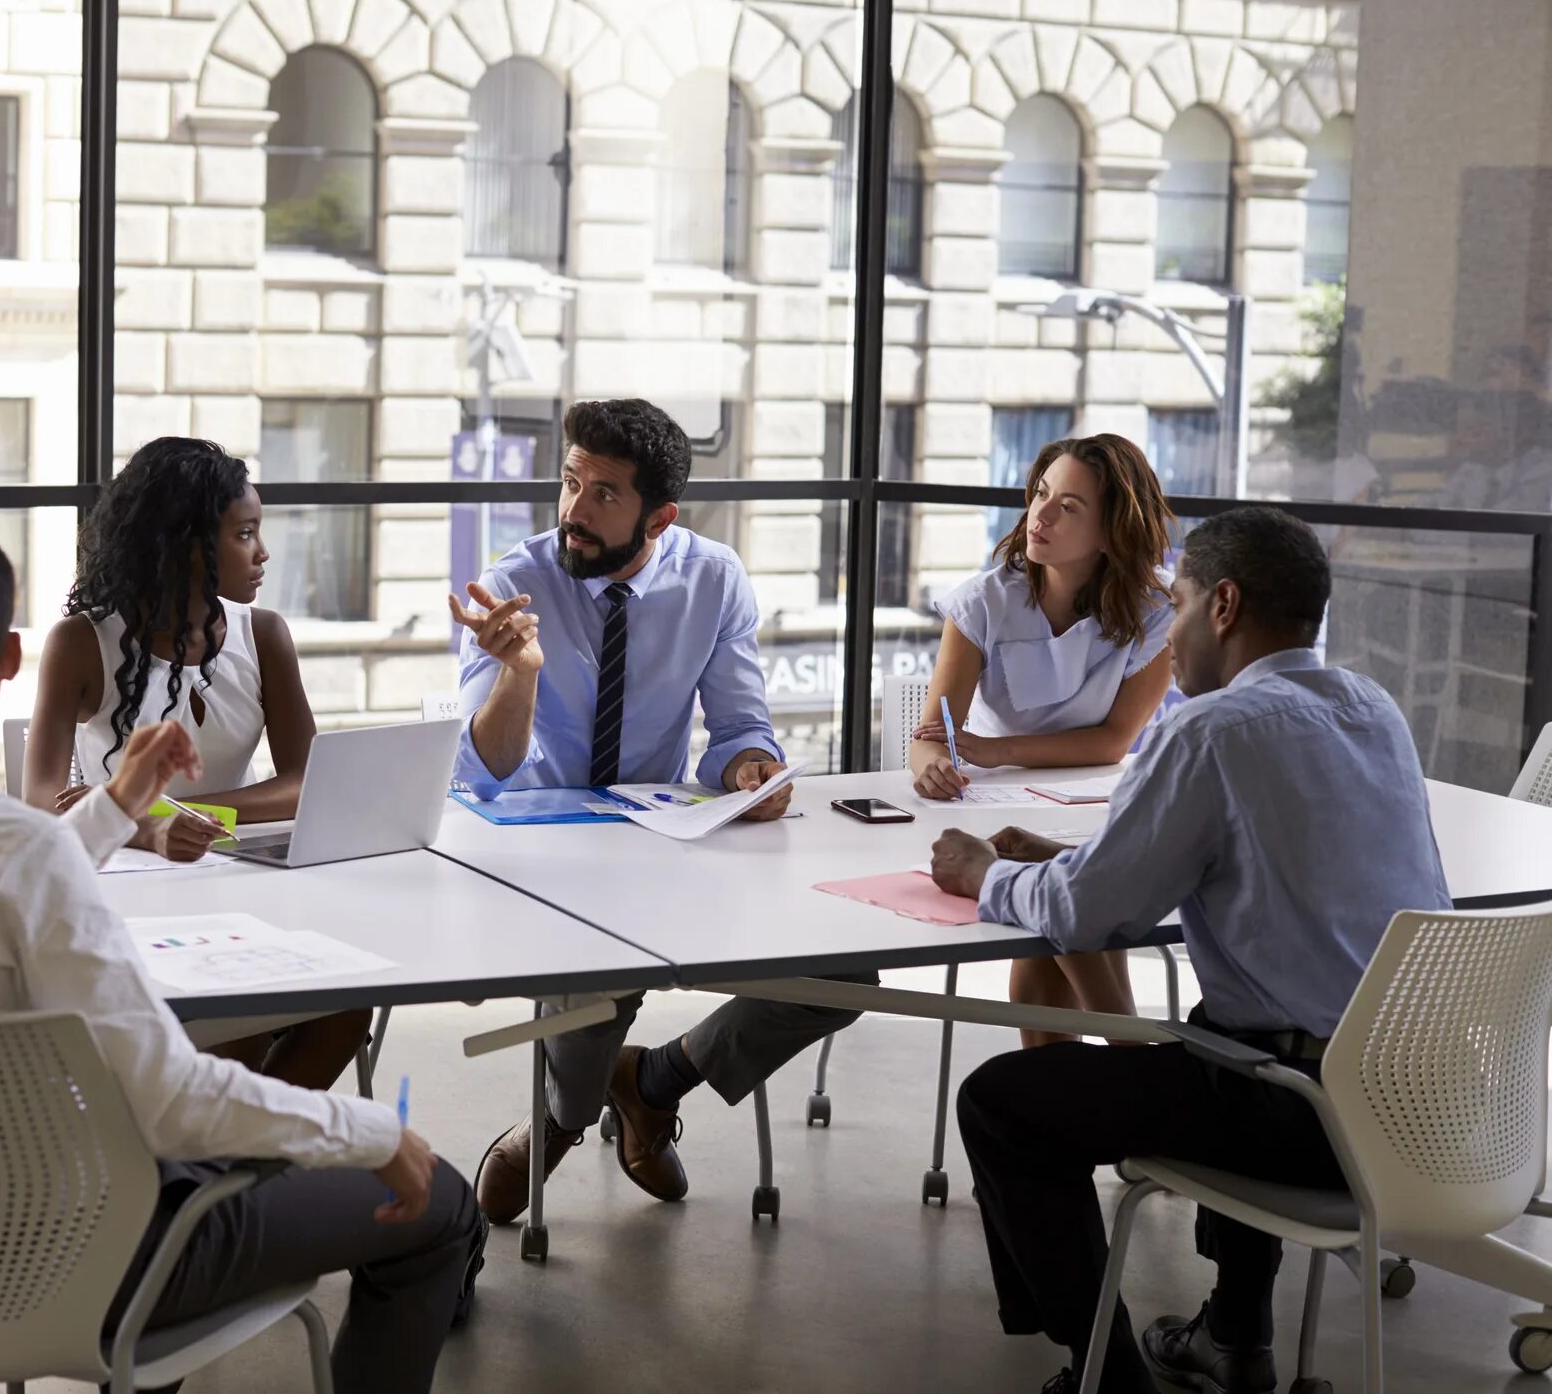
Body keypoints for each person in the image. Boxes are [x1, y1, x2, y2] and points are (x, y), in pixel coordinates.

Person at [0, 510, 483, 1393]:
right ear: (8, 661)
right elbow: (171, 1103)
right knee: (441, 1204)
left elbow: (1, 880)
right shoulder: (16, 852)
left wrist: (118, 804)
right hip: (90, 1258)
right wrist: (374, 1132)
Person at [927, 506, 1450, 1394]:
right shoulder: (1371, 708)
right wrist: (1096, 856)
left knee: (1001, 1104)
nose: (1166, 633)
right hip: (1421, 1095)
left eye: (1177, 603)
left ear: (1224, 605)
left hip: (1306, 1115)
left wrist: (981, 875)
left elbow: (1085, 918)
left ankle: (1107, 1375)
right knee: (1226, 1030)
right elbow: (1275, 862)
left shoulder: (1209, 729)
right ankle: (1234, 1340)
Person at [450, 397, 874, 1224]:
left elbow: (740, 729)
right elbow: (484, 770)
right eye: (570, 482)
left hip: (659, 835)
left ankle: (653, 1080)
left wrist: (751, 767)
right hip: (539, 846)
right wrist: (520, 673)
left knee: (844, 974)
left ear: (661, 515)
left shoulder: (712, 578)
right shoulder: (512, 583)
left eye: (603, 493)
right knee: (596, 975)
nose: (574, 509)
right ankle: (558, 1126)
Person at [26, 437, 371, 1092]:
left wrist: (193, 814)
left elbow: (307, 783)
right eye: (244, 534)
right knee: (236, 1026)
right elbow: (41, 808)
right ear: (185, 544)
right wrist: (144, 825)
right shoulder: (79, 644)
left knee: (348, 1006)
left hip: (240, 883)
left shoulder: (262, 634)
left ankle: (239, 1173)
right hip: (123, 891)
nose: (264, 553)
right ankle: (225, 1175)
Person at [909, 433, 1174, 1046]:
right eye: (1041, 495)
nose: (1041, 515)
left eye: (1069, 506)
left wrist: (993, 751)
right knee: (1056, 920)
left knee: (1056, 912)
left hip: (1096, 804)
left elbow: (1112, 742)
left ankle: (1096, 1079)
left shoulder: (1157, 610)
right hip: (999, 808)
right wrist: (931, 765)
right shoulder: (984, 602)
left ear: (1112, 531)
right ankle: (1121, 1065)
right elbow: (931, 737)